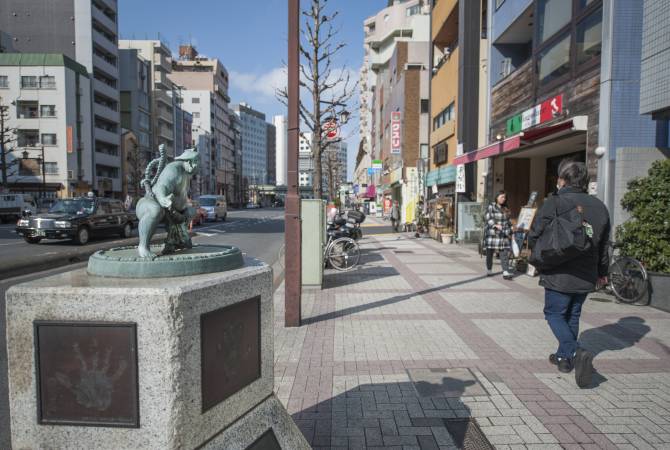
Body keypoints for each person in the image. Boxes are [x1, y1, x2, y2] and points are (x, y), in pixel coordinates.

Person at [528, 160, 610, 388]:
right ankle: (564, 359)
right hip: (586, 273)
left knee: (553, 313)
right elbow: (604, 245)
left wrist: (537, 258)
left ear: (563, 180)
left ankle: (576, 351)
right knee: (572, 315)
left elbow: (535, 233)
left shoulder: (555, 202)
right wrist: (602, 272)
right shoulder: (599, 206)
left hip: (559, 271)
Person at [483, 191, 514, 278]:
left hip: (503, 233)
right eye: (501, 197)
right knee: (489, 253)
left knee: (504, 253)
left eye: (504, 197)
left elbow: (508, 220)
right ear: (497, 197)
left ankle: (505, 271)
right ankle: (489, 269)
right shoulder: (491, 206)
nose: (503, 199)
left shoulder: (506, 208)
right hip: (492, 234)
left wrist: (511, 227)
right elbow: (487, 217)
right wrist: (495, 225)